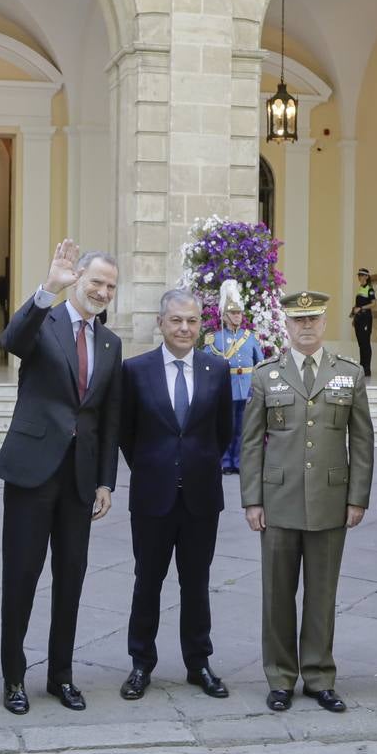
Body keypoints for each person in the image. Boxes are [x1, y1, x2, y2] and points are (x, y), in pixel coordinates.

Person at [0, 239, 122, 715]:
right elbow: (11, 342)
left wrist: (106, 481)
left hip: (80, 479)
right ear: (78, 279)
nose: (102, 292)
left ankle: (61, 676)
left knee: (71, 578)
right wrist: (47, 288)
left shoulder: (110, 343)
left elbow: (108, 417)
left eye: (110, 286)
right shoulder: (43, 320)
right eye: (96, 282)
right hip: (32, 471)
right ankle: (14, 677)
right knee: (21, 577)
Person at [240, 290, 373, 714]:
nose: (307, 326)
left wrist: (357, 498)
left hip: (330, 501)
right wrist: (252, 500)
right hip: (278, 501)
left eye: (314, 318)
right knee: (277, 595)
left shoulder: (349, 374)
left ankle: (318, 677)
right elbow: (251, 444)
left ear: (324, 322)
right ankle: (280, 677)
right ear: (287, 325)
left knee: (322, 595)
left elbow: (362, 441)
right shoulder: (266, 375)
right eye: (299, 320)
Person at [118, 289, 234, 702]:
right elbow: (126, 434)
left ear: (200, 324)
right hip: (152, 496)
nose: (184, 328)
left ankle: (198, 662)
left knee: (196, 583)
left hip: (201, 497)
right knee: (147, 582)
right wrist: (157, 467)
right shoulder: (135, 370)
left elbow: (223, 432)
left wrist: (195, 464)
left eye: (192, 321)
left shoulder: (217, 369)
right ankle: (140, 664)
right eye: (176, 320)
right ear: (161, 323)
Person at [205, 279, 264, 474]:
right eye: (234, 313)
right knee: (226, 427)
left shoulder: (250, 337)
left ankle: (238, 461)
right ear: (225, 315)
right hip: (226, 389)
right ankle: (225, 461)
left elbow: (260, 364)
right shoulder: (215, 338)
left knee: (243, 428)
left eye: (239, 313)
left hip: (247, 389)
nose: (238, 316)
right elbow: (205, 366)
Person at [350, 268, 376, 377]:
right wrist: (354, 317)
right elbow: (357, 305)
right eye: (359, 275)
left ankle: (367, 368)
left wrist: (361, 308)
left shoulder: (369, 289)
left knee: (365, 343)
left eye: (361, 275)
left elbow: (373, 303)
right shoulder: (360, 288)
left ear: (366, 276)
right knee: (361, 344)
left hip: (366, 318)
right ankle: (362, 366)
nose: (359, 277)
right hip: (359, 318)